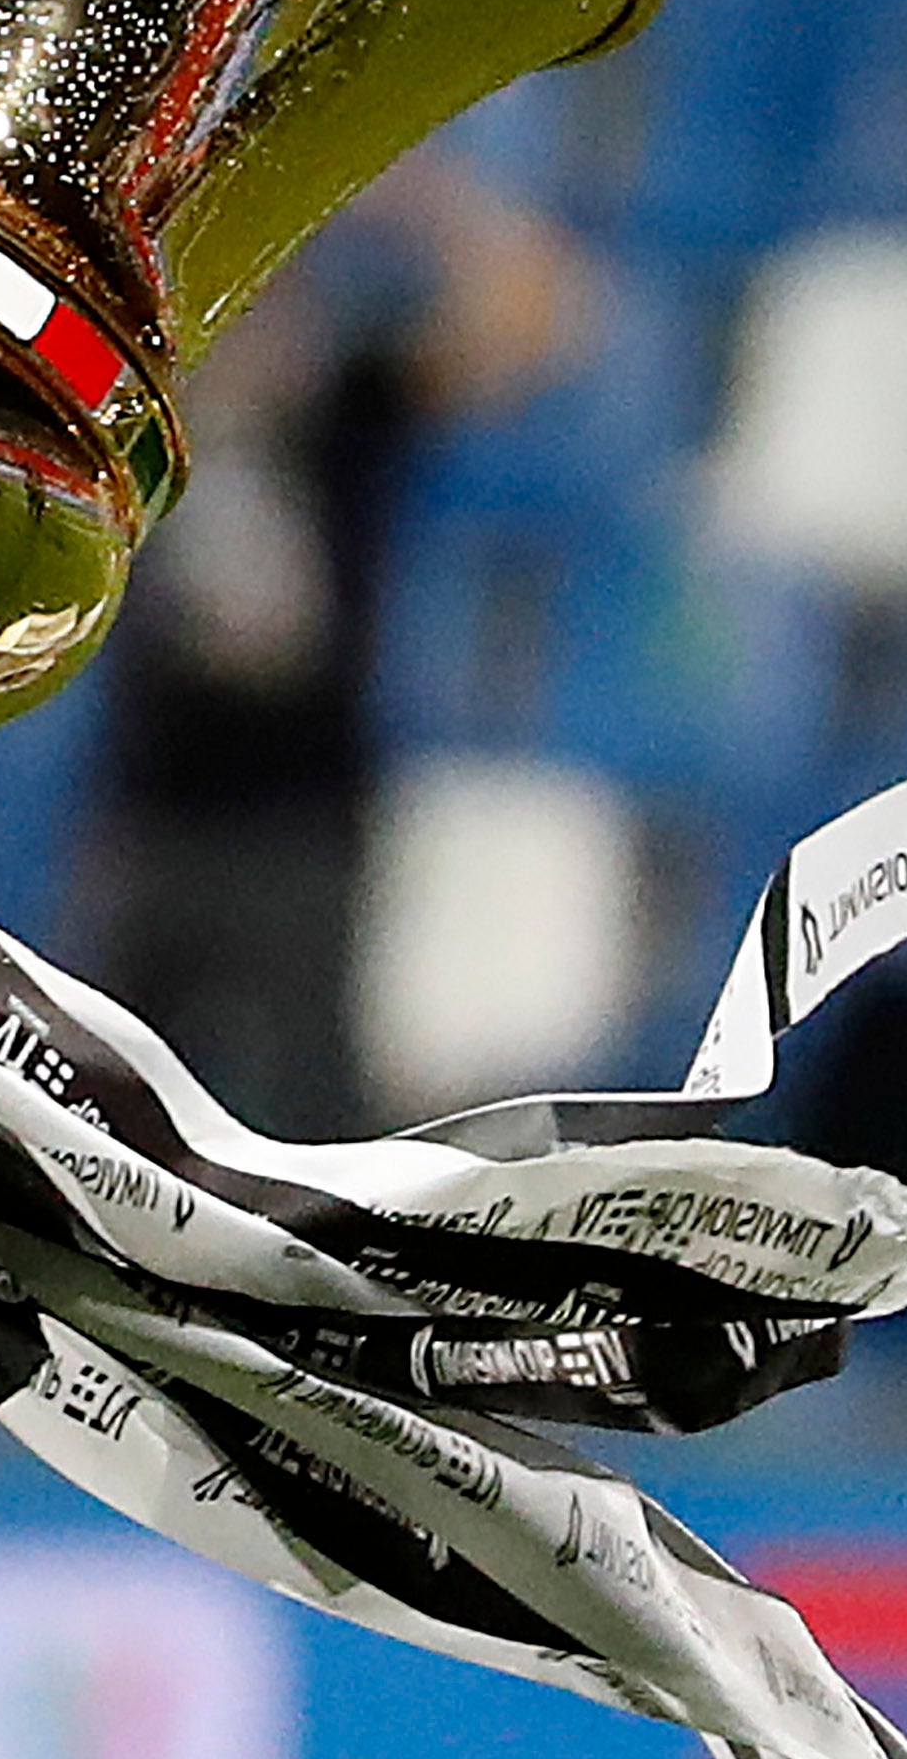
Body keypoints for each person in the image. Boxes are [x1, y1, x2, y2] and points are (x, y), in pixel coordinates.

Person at [69, 159, 580, 1136]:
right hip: (149, 808)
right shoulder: (140, 422)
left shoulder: (351, 410)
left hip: (300, 818)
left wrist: (413, 197)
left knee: (316, 1116)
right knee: (97, 1115)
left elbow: (535, 316)